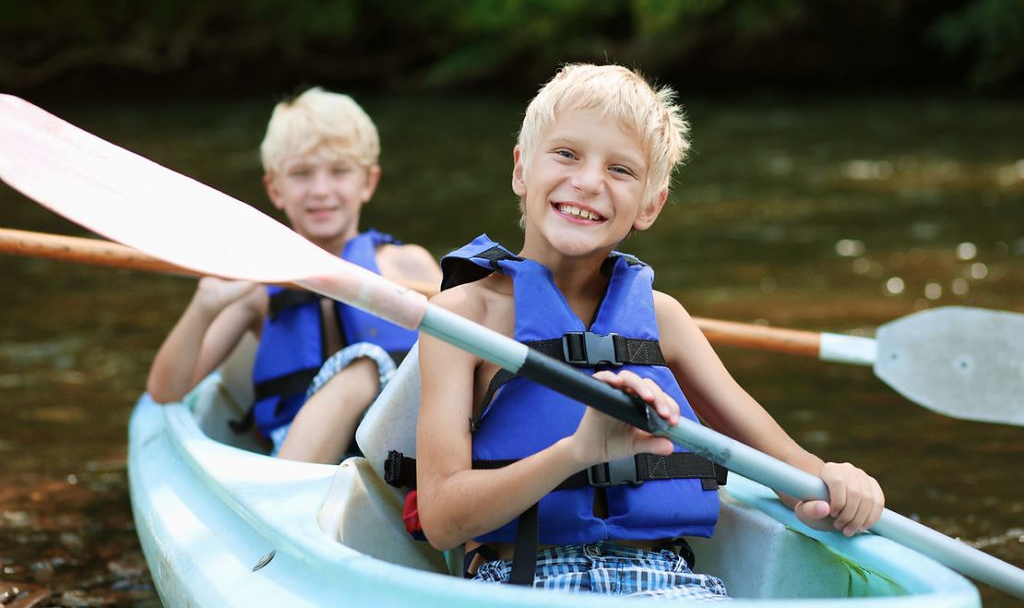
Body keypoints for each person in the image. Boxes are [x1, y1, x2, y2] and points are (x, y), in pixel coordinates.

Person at [414, 64, 884, 599]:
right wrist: (577, 452)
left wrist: (839, 482)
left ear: (651, 205)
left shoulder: (665, 320)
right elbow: (443, 520)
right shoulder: (461, 317)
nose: (588, 182)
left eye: (621, 170)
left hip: (669, 584)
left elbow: (789, 469)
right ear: (522, 170)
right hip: (526, 581)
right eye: (566, 154)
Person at [147, 87, 441, 464]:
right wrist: (204, 306)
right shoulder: (256, 288)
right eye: (301, 174)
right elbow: (166, 391)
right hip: (296, 462)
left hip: (397, 444)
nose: (321, 191)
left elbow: (465, 360)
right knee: (360, 367)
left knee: (366, 366)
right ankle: (281, 494)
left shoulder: (409, 266)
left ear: (368, 182)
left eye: (339, 172)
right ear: (275, 189)